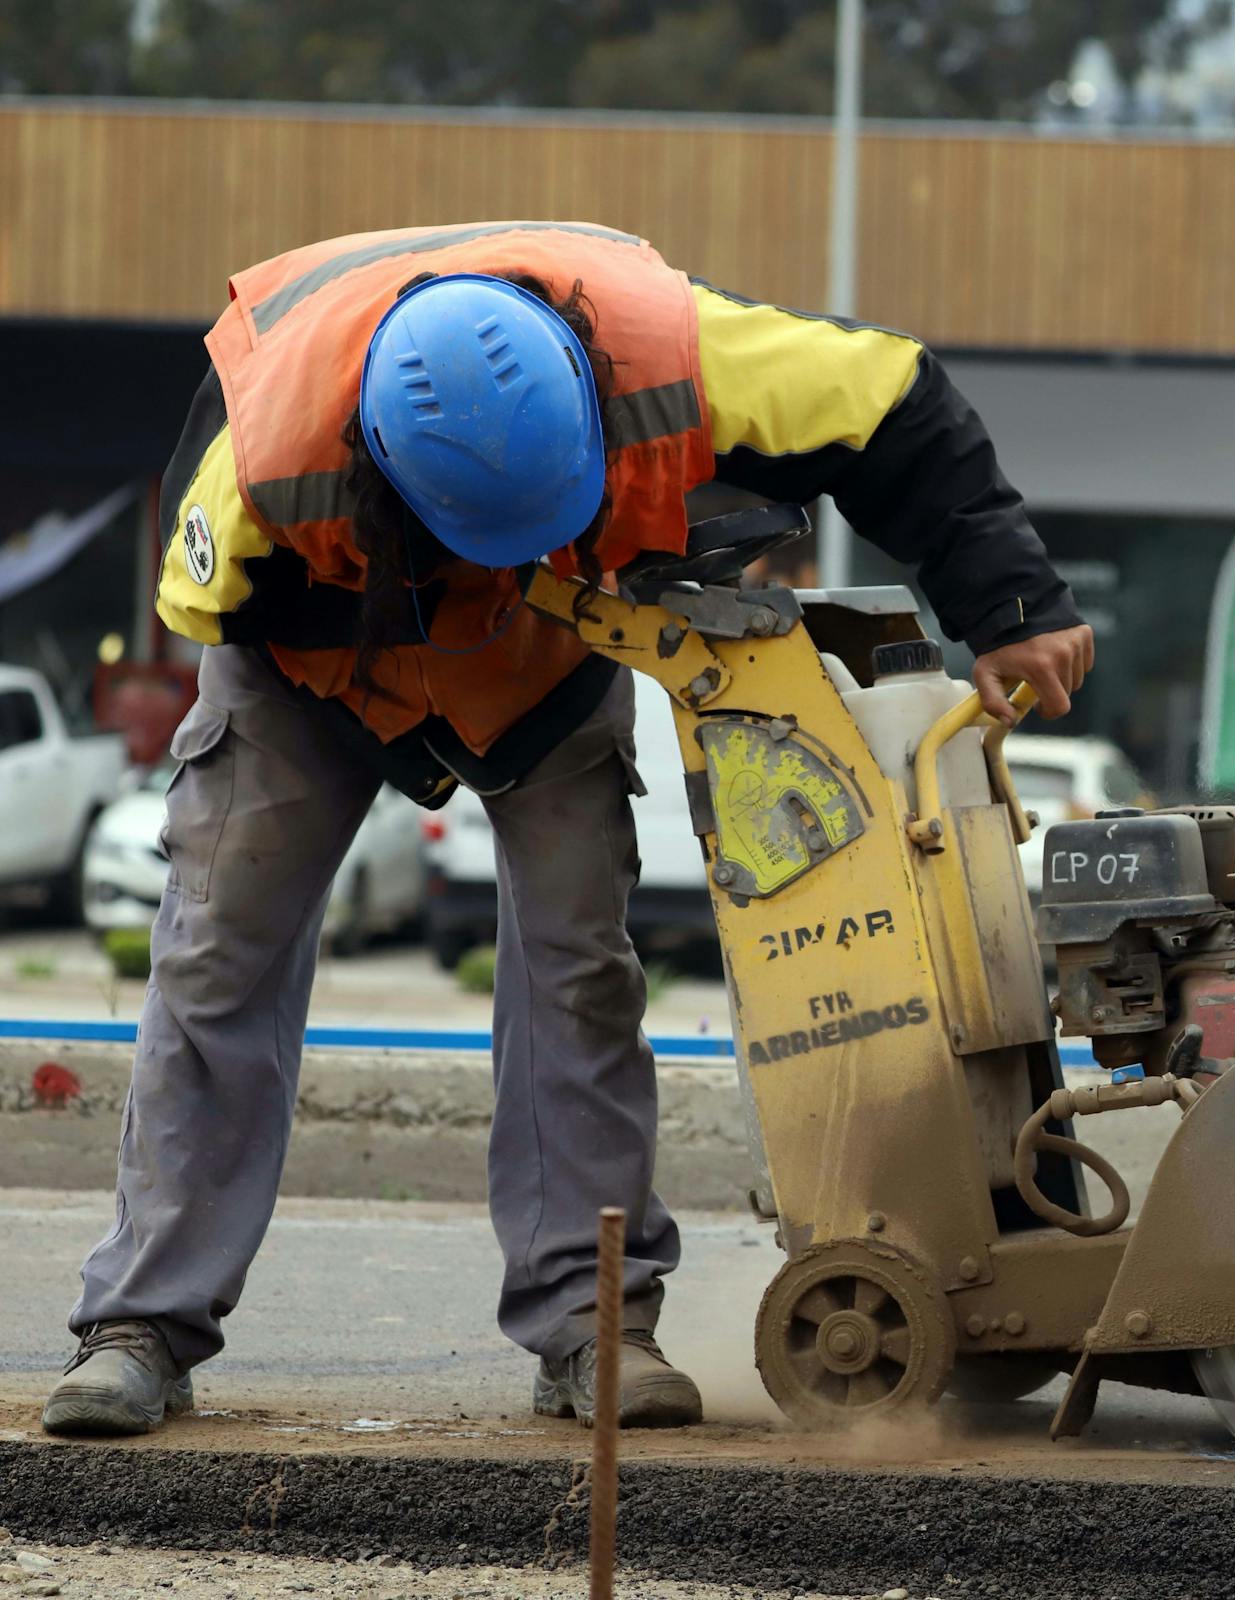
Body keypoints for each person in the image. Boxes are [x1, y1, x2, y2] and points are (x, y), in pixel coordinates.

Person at [41, 221, 1094, 1438]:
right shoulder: (262, 466)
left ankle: (595, 1322)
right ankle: (140, 1325)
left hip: (546, 647)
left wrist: (1013, 602)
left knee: (580, 967)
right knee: (217, 954)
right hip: (311, 670)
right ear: (385, 471)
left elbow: (898, 403)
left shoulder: (685, 353)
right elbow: (207, 614)